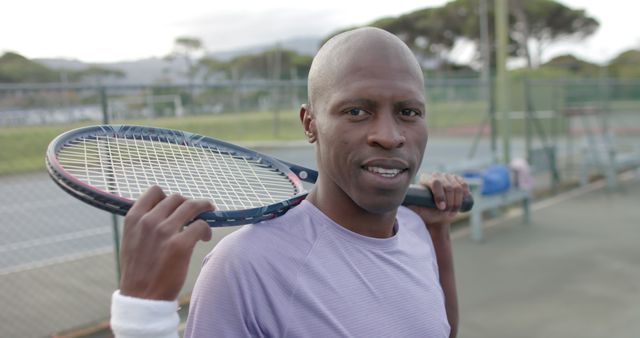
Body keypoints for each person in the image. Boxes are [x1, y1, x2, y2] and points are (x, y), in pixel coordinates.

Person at [110, 27, 469, 338]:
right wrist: (142, 318)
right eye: (356, 111)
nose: (389, 136)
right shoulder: (243, 265)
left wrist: (438, 232)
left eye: (409, 112)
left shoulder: (417, 229)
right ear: (309, 123)